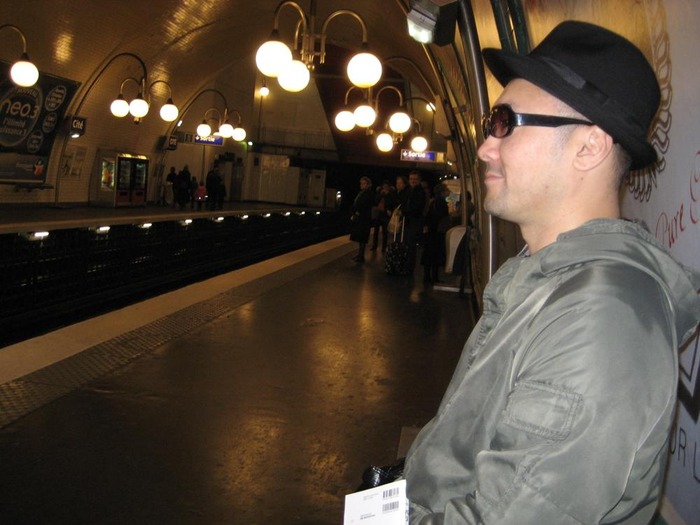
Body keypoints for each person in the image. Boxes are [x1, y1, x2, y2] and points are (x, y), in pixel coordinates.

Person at [404, 21, 700, 524]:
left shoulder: (603, 316)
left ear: (589, 147)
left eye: (504, 122)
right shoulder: (545, 279)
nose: (484, 147)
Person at [420, 183, 449, 284]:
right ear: (442, 192)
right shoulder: (441, 202)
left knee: (429, 254)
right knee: (435, 254)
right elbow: (440, 216)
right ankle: (434, 277)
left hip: (431, 231)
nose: (448, 191)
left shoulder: (434, 202)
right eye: (446, 190)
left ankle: (427, 277)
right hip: (437, 232)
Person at [404, 171, 427, 273]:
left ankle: (409, 267)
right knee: (409, 244)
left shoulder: (419, 192)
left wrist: (405, 211)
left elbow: (417, 208)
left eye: (415, 179)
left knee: (411, 244)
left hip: (414, 221)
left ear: (419, 180)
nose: (412, 181)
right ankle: (408, 266)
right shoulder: (411, 190)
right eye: (411, 179)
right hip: (411, 220)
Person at [349, 176, 374, 263]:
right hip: (361, 218)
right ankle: (360, 254)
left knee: (362, 236)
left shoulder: (368, 194)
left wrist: (357, 212)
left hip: (363, 218)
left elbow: (364, 205)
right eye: (361, 183)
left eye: (364, 183)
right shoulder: (362, 193)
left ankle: (361, 255)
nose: (362, 185)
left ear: (368, 184)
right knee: (360, 237)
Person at [371, 180, 397, 253]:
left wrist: (387, 195)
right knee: (376, 231)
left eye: (386, 186)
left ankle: (384, 247)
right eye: (384, 186)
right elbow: (376, 201)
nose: (385, 188)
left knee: (385, 232)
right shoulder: (380, 193)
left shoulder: (391, 194)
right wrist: (381, 195)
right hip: (378, 214)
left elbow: (391, 203)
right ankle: (374, 245)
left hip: (385, 215)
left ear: (389, 187)